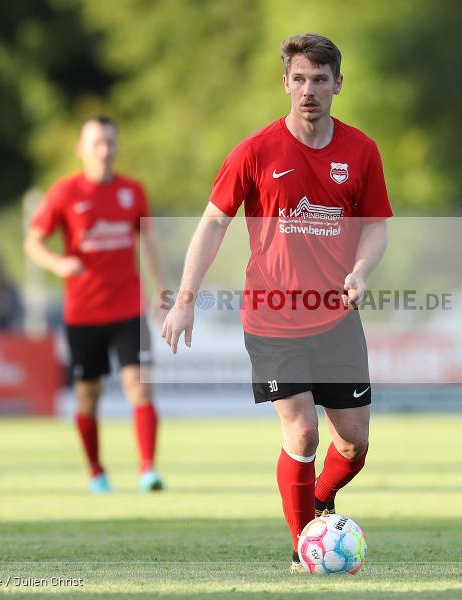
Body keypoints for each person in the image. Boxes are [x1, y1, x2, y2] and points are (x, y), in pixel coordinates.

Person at [161, 33, 392, 572]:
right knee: (303, 431)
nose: (308, 90)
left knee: (354, 445)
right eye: (299, 79)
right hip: (272, 319)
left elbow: (377, 226)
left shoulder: (361, 151)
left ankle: (315, 503)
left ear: (338, 83)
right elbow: (214, 224)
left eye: (319, 79)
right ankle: (302, 547)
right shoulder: (255, 151)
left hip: (337, 318)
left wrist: (360, 269)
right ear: (285, 83)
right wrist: (185, 298)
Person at [24, 116, 165, 494]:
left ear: (117, 147)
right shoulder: (65, 193)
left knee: (140, 386)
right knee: (89, 395)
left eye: (110, 143)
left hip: (128, 309)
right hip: (84, 314)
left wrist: (163, 291)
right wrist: (58, 264)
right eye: (97, 143)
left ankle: (148, 470)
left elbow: (147, 244)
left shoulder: (132, 191)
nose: (104, 150)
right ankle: (96, 472)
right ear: (81, 149)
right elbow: (33, 242)